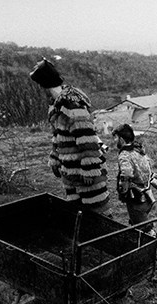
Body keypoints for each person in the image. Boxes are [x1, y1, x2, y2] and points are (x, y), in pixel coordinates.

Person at [29, 58, 111, 216]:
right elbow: (58, 137)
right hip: (69, 172)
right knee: (77, 212)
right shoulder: (57, 106)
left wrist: (89, 170)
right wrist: (55, 159)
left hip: (86, 175)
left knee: (98, 214)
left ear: (44, 85)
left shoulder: (72, 106)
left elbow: (89, 141)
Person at [111, 123, 157, 273]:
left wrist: (123, 189)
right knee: (141, 225)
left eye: (117, 138)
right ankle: (143, 254)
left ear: (121, 139)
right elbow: (148, 168)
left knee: (144, 228)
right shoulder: (139, 150)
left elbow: (126, 174)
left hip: (136, 198)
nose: (116, 141)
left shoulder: (124, 155)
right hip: (147, 196)